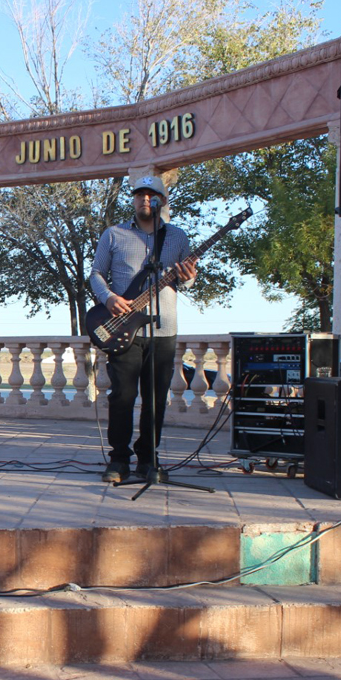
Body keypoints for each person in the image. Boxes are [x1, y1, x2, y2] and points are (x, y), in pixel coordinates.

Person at [89, 175, 198, 483]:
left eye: (151, 196)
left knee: (156, 398)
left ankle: (148, 458)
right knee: (122, 395)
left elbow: (186, 282)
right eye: (140, 196)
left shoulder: (177, 237)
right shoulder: (114, 234)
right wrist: (109, 298)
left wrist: (190, 276)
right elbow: (96, 273)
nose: (145, 201)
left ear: (161, 201)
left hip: (164, 329)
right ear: (133, 200)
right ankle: (119, 459)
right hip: (123, 328)